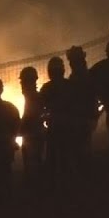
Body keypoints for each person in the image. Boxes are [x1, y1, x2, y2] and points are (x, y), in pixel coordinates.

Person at [39, 57, 75, 187]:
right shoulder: (70, 85)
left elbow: (40, 108)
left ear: (50, 71)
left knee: (52, 158)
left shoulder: (47, 88)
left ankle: (52, 186)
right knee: (68, 157)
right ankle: (70, 184)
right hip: (70, 127)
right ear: (63, 70)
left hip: (54, 128)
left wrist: (45, 119)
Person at [65, 46, 100, 175]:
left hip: (79, 118)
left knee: (80, 150)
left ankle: (84, 175)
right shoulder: (87, 75)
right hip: (85, 117)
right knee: (84, 148)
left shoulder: (77, 78)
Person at [17, 66, 46, 189]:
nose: (21, 84)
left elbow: (30, 116)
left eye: (23, 81)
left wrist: (18, 129)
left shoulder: (32, 97)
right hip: (34, 133)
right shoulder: (33, 96)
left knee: (32, 164)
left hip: (32, 135)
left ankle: (35, 189)